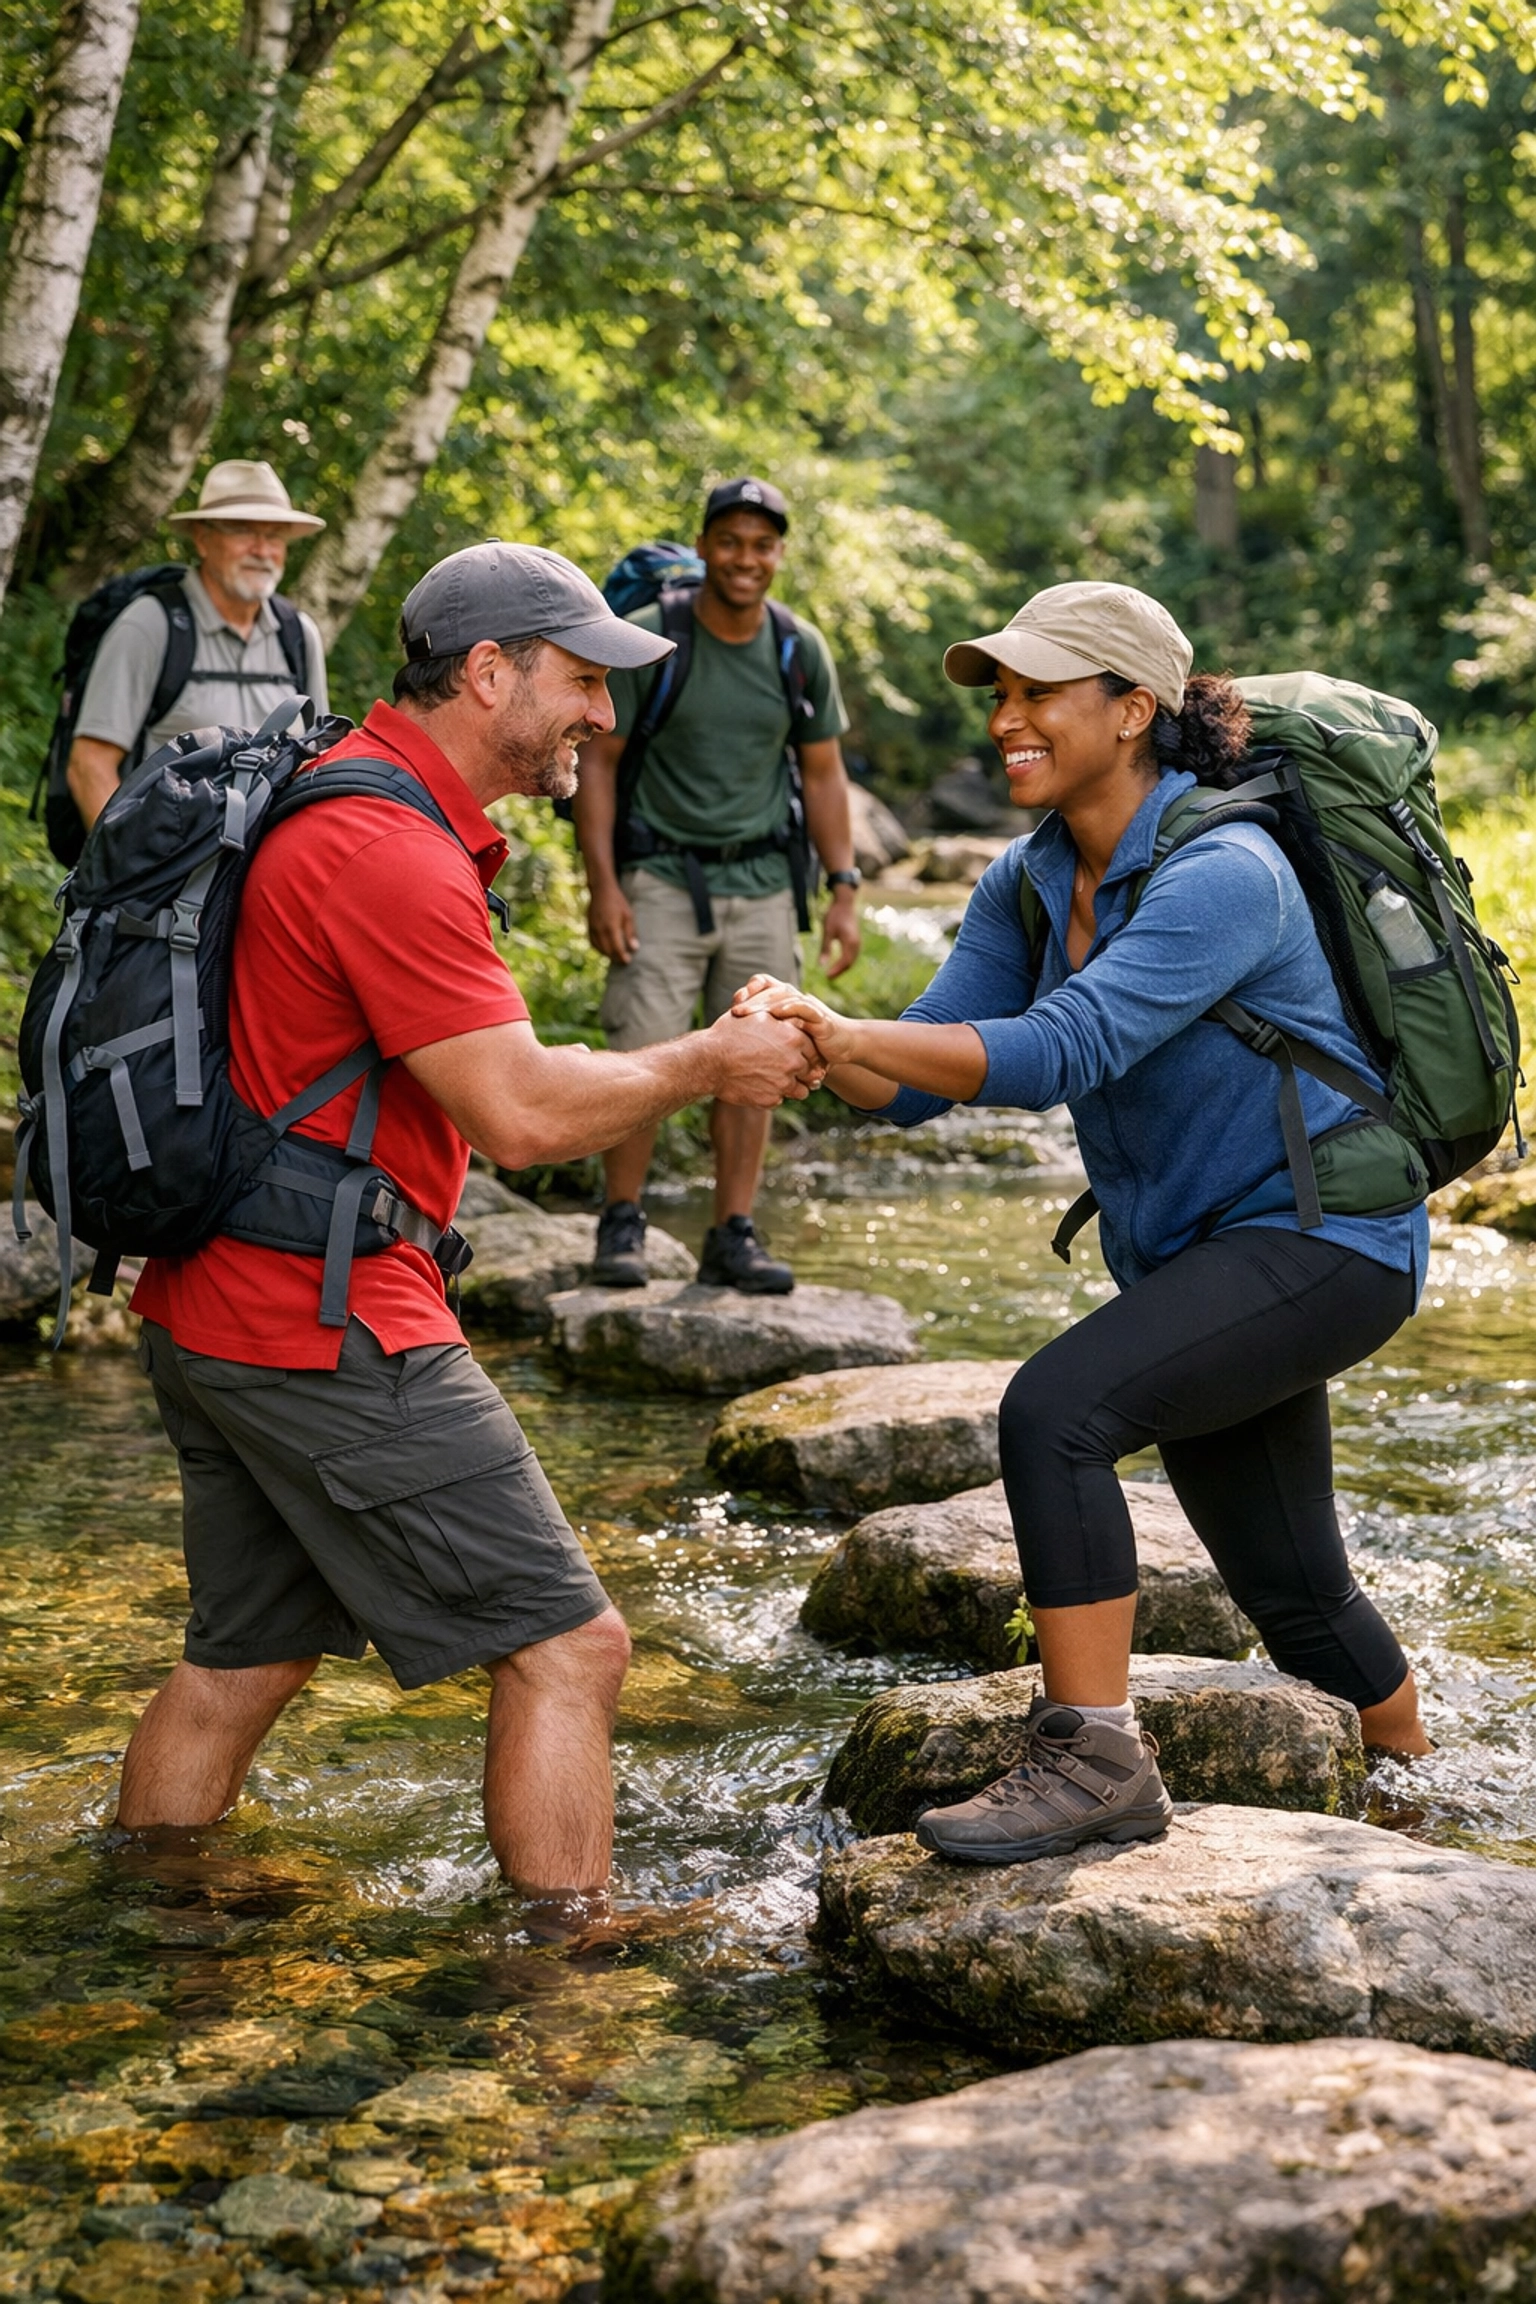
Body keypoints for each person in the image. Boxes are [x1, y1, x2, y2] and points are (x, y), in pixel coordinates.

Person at [120, 541, 820, 1940]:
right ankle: (558, 1978)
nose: (603, 719)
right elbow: (519, 1112)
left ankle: (143, 1919)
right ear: (488, 671)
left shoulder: (346, 800)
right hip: (324, 1321)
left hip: (215, 1303)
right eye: (580, 682)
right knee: (570, 1644)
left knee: (246, 1659)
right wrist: (708, 1063)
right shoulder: (385, 848)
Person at [738, 579, 1434, 1865]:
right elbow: (914, 1087)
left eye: (1036, 691)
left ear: (1132, 710)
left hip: (1329, 1238)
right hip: (1210, 1251)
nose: (1005, 718)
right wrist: (808, 1046)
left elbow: (1065, 1048)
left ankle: (1096, 1758)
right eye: (998, 694)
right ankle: (1421, 1793)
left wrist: (851, 1032)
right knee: (1290, 1583)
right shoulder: (1031, 875)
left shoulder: (1230, 870)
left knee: (1056, 1414)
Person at [573, 476, 862, 1296]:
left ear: (778, 554)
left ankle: (732, 1231)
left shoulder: (797, 648)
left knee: (767, 1054)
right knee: (640, 1051)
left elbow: (825, 771)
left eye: (762, 544)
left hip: (767, 881)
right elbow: (599, 762)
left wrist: (843, 888)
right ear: (703, 547)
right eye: (730, 541)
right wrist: (604, 885)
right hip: (659, 877)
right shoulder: (649, 640)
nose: (746, 558)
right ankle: (621, 1219)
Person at [67, 459, 329, 832]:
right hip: (163, 877)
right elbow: (89, 764)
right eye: (243, 531)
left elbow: (316, 763)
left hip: (267, 878)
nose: (262, 549)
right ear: (202, 539)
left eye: (274, 535)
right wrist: (126, 878)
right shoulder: (151, 624)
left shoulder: (299, 636)